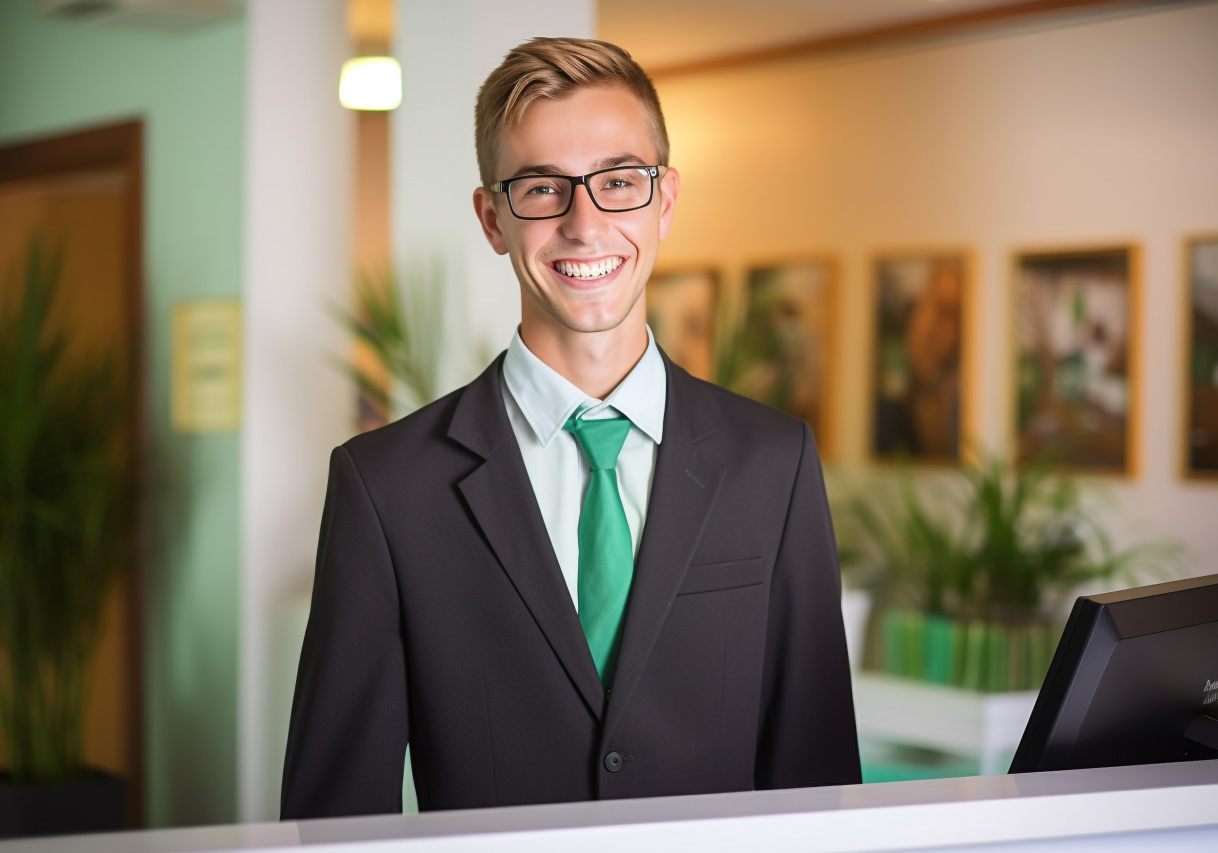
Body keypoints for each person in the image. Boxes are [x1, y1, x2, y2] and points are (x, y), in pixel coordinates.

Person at [280, 36, 860, 819]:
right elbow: (336, 817)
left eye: (619, 181)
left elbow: (819, 781)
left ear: (666, 199)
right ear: (492, 218)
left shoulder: (774, 461)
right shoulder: (386, 488)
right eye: (543, 189)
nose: (585, 224)